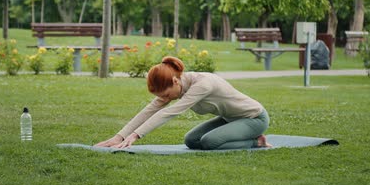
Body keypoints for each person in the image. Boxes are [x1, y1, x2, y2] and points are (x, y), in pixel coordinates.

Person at [95, 56, 272, 150]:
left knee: (210, 142)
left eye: (165, 95)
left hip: (254, 118)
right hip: (231, 119)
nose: (164, 99)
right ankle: (244, 137)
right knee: (192, 140)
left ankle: (256, 142)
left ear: (175, 81)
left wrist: (134, 136)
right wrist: (119, 137)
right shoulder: (176, 86)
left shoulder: (202, 85)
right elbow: (149, 110)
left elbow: (168, 113)